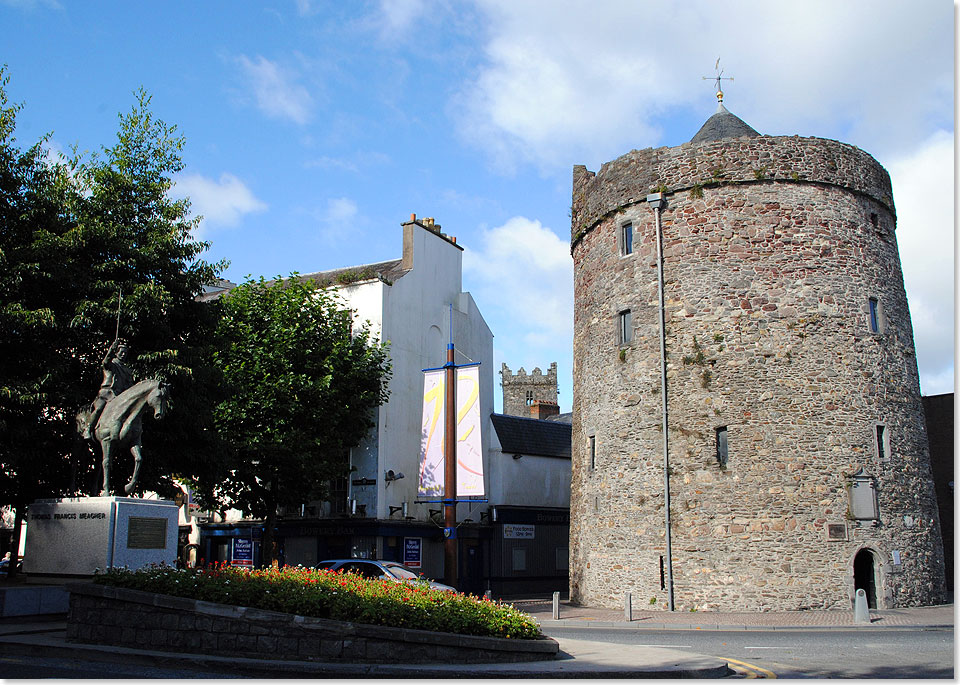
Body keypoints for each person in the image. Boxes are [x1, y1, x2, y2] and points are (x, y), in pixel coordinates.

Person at [83, 340, 135, 440]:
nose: (123, 354)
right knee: (99, 408)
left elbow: (129, 385)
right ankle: (88, 428)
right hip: (106, 393)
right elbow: (105, 361)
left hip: (119, 396)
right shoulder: (112, 365)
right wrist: (111, 348)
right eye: (121, 352)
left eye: (125, 353)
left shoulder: (127, 370)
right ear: (116, 352)